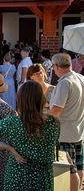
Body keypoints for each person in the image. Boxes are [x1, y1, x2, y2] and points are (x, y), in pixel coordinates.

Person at [0, 81, 60, 191]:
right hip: (43, 177)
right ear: (41, 99)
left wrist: (10, 148)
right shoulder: (54, 122)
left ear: (20, 99)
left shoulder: (12, 122)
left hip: (17, 174)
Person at [49, 53, 84, 191]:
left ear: (56, 66)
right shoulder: (81, 78)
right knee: (79, 167)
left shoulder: (65, 82)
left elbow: (57, 110)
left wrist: (43, 117)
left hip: (65, 133)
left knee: (70, 169)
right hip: (78, 129)